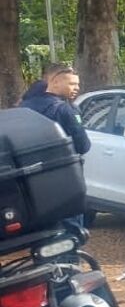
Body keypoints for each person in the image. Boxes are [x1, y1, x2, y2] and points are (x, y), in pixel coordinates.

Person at [19, 66, 89, 241]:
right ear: (55, 82)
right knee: (71, 233)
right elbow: (83, 145)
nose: (77, 88)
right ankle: (69, 257)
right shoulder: (64, 110)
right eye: (72, 84)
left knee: (45, 234)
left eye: (77, 84)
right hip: (65, 179)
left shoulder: (23, 108)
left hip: (33, 180)